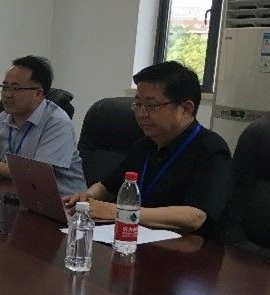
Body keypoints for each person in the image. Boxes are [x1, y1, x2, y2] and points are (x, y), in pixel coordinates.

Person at [63, 60, 231, 234]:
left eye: (151, 105)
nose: (142, 114)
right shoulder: (145, 144)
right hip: (138, 236)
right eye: (138, 104)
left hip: (187, 245)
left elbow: (195, 216)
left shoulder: (211, 149)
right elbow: (107, 186)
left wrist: (119, 212)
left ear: (186, 109)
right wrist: (87, 197)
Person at [0, 55, 86, 195]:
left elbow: (39, 174)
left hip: (62, 201)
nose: (7, 95)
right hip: (17, 195)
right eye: (5, 87)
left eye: (15, 89)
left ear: (37, 94)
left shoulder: (57, 123)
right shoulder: (3, 118)